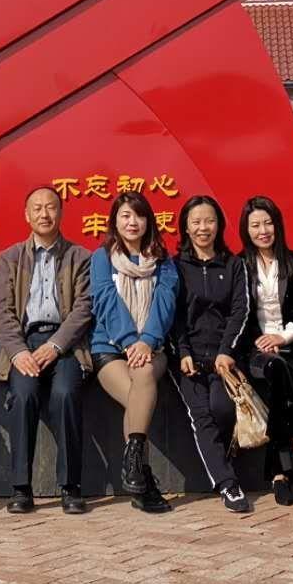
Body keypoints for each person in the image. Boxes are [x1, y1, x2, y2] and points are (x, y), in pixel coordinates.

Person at [0, 186, 94, 515]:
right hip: (25, 344)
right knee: (23, 396)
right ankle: (21, 487)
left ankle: (70, 486)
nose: (44, 214)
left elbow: (84, 308)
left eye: (50, 207)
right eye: (37, 208)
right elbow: (3, 312)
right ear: (27, 215)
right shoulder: (10, 258)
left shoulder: (80, 257)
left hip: (66, 345)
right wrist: (18, 352)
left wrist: (56, 345)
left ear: (61, 213)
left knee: (65, 394)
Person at [223, 196, 293, 505]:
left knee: (283, 376)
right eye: (255, 225)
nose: (263, 231)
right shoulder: (239, 265)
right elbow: (238, 313)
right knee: (277, 369)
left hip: (292, 344)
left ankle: (279, 475)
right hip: (256, 348)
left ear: (277, 225)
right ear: (246, 230)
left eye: (268, 223)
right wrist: (262, 340)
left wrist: (285, 336)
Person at [88, 191, 179, 514]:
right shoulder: (101, 258)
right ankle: (143, 478)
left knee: (143, 376)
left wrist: (147, 340)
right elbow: (105, 300)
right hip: (109, 348)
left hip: (153, 347)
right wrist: (129, 341)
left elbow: (166, 303)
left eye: (139, 215)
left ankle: (136, 468)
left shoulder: (163, 261)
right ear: (114, 221)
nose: (132, 222)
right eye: (125, 215)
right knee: (139, 399)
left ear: (148, 221)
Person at [167, 195, 251, 514]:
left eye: (210, 221)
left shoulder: (234, 265)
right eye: (197, 222)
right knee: (201, 414)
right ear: (186, 227)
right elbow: (173, 315)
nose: (204, 228)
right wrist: (182, 351)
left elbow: (240, 311)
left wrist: (226, 351)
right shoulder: (175, 266)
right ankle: (228, 484)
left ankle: (221, 460)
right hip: (187, 359)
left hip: (223, 358)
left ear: (219, 225)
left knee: (222, 409)